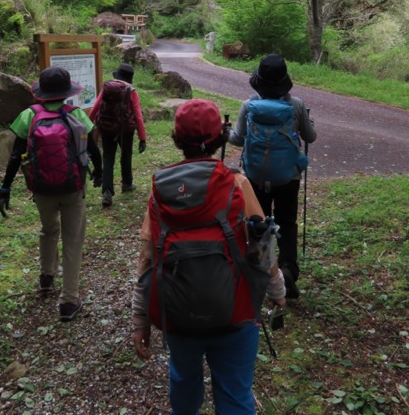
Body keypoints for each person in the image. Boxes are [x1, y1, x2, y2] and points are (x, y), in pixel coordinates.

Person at [131, 99, 287, 414]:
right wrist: (277, 290)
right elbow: (263, 246)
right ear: (220, 137)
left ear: (177, 139)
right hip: (237, 310)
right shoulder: (237, 183)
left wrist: (141, 319)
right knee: (235, 395)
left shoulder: (160, 188)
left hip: (179, 312)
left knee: (184, 388)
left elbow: (147, 260)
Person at [0, 66, 95, 321]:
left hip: (41, 188)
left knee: (49, 228)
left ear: (41, 92)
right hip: (73, 188)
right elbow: (92, 148)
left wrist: (5, 187)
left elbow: (15, 155)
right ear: (66, 92)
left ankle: (46, 276)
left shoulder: (28, 116)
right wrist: (102, 175)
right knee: (72, 240)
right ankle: (69, 301)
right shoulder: (76, 115)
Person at [229, 54, 316, 300]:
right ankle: (288, 271)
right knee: (287, 224)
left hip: (255, 176)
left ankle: (263, 277)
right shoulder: (296, 105)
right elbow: (310, 137)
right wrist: (310, 123)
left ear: (259, 82)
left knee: (259, 226)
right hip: (288, 178)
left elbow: (237, 139)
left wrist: (226, 132)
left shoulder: (249, 105)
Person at [89, 63, 147, 207]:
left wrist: (89, 126)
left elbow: (95, 108)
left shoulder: (107, 87)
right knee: (126, 155)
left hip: (107, 127)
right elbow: (138, 116)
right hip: (125, 129)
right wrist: (142, 138)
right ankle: (126, 183)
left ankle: (107, 192)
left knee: (108, 158)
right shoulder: (131, 91)